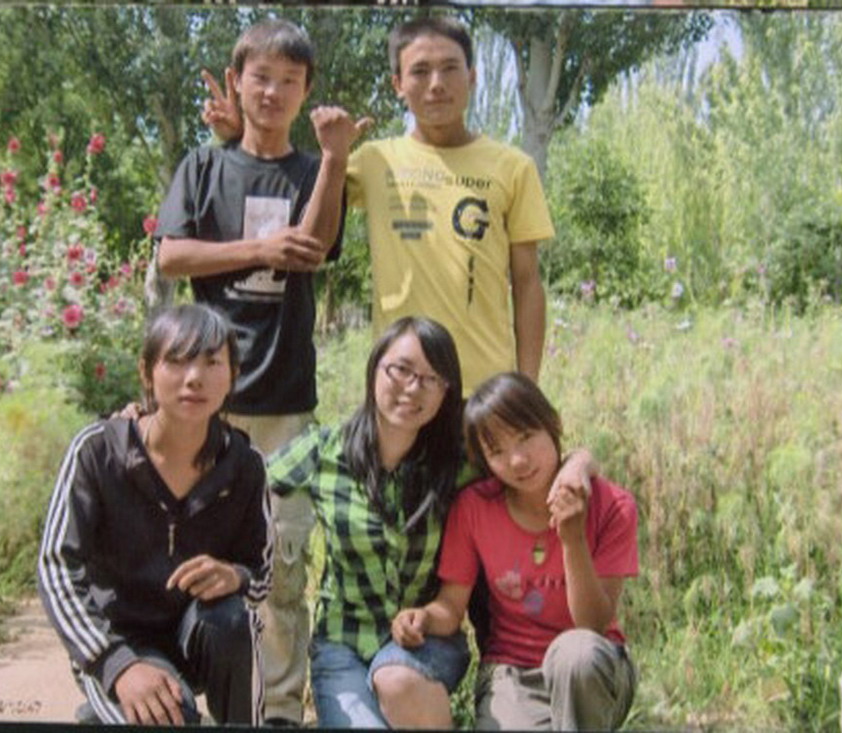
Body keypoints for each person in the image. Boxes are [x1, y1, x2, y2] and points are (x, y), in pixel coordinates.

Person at [155, 19, 370, 726]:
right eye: (261, 77)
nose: (273, 91)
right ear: (237, 81)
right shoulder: (204, 166)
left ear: (306, 91)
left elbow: (317, 246)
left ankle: (278, 708)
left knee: (280, 565)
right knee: (190, 554)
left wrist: (334, 158)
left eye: (289, 81)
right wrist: (257, 248)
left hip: (285, 400)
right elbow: (171, 256)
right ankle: (180, 695)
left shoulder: (314, 171)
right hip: (203, 404)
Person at [203, 15, 553, 397]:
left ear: (472, 76)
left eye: (450, 68)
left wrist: (528, 387)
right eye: (420, 71)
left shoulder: (513, 168)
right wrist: (244, 134)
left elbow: (527, 283)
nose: (436, 84)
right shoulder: (373, 161)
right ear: (398, 85)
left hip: (486, 388)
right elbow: (294, 177)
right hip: (400, 387)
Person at [38, 304, 273, 726]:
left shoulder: (244, 465)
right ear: (147, 372)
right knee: (169, 716)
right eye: (177, 360)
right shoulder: (97, 452)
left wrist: (235, 576)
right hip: (118, 639)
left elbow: (261, 575)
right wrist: (115, 664)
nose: (194, 377)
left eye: (212, 362)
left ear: (234, 375)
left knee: (235, 619)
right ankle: (111, 707)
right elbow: (55, 567)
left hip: (198, 636)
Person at [392, 372, 638, 730]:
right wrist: (422, 618)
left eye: (525, 437)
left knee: (575, 654)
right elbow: (451, 606)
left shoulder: (612, 505)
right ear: (484, 460)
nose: (518, 460)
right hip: (513, 674)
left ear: (552, 423)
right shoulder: (474, 508)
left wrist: (572, 539)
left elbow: (594, 625)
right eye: (497, 452)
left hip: (593, 672)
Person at [265, 316, 469, 729]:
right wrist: (143, 423)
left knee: (396, 680)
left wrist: (580, 464)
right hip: (342, 644)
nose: (412, 388)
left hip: (426, 642)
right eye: (401, 369)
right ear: (375, 367)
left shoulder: (455, 464)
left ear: (446, 391)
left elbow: (531, 469)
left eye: (430, 379)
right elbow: (243, 479)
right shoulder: (325, 451)